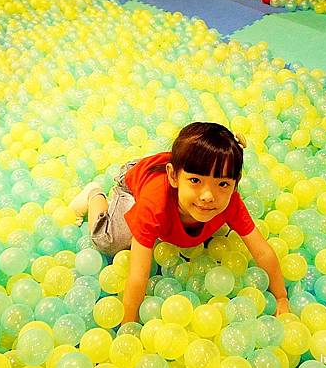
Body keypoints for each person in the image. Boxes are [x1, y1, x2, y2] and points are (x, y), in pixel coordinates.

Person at [70, 122, 289, 323]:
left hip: (178, 165)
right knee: (108, 242)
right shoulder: (155, 203)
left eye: (222, 183)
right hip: (137, 178)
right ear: (174, 177)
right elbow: (138, 274)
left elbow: (262, 252)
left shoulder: (229, 202)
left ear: (235, 183)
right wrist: (130, 327)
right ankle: (93, 194)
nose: (208, 196)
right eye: (196, 181)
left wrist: (281, 298)